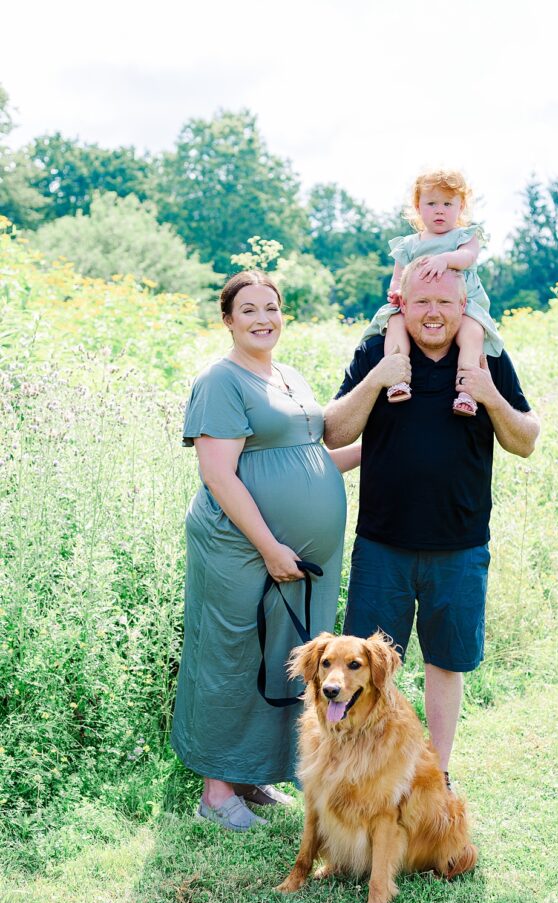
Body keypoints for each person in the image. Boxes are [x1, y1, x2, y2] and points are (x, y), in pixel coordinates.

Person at [324, 263, 539, 786]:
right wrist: (377, 380)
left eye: (446, 301)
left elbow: (526, 439)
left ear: (464, 306)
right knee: (366, 670)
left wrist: (489, 394)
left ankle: (434, 777)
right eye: (422, 302)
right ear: (403, 305)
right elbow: (334, 431)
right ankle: (363, 778)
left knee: (446, 664)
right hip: (382, 546)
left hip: (460, 547)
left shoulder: (486, 356)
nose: (434, 312)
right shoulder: (378, 351)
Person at [171, 270, 360, 831]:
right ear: (228, 320)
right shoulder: (220, 381)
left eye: (272, 307)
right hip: (242, 549)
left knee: (282, 659)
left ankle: (253, 774)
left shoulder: (289, 377)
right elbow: (219, 475)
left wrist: (382, 447)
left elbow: (311, 458)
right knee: (231, 656)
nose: (263, 318)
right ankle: (215, 789)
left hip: (295, 561)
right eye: (248, 309)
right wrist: (272, 547)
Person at [363, 168, 503, 416]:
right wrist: (396, 292)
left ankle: (467, 392)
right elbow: (397, 278)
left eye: (448, 203)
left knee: (472, 333)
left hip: (463, 303)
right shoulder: (408, 245)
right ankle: (398, 377)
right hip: (415, 305)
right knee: (394, 323)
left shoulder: (464, 236)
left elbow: (467, 257)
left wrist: (444, 260)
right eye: (432, 203)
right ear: (418, 207)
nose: (440, 210)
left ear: (461, 208)